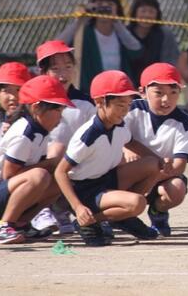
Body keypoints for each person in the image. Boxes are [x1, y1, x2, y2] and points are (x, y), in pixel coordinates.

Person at [54, 70, 161, 247]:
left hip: (106, 178)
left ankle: (122, 216)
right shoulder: (88, 135)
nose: (125, 110)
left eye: (128, 104)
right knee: (138, 203)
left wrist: (160, 161)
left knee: (153, 164)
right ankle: (87, 222)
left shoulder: (119, 125)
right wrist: (78, 207)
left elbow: (132, 143)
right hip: (85, 190)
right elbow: (60, 172)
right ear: (99, 102)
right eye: (120, 105)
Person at [0, 75, 73, 244]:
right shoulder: (24, 133)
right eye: (57, 110)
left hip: (4, 193)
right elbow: (9, 175)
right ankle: (2, 227)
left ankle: (20, 223)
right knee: (40, 175)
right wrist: (50, 163)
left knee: (59, 180)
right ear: (36, 108)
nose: (60, 117)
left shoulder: (40, 131)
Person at [33, 40, 97, 234]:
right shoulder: (33, 102)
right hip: (39, 168)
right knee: (56, 149)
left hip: (74, 167)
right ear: (42, 72)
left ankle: (63, 209)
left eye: (68, 67)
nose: (63, 74)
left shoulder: (85, 104)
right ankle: (39, 209)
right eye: (55, 68)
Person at [123, 63, 188, 237]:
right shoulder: (131, 109)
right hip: (129, 172)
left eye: (173, 93)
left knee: (177, 188)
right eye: (159, 93)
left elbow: (180, 166)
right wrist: (126, 149)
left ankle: (158, 212)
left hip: (162, 175)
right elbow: (115, 139)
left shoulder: (184, 122)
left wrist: (155, 175)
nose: (166, 99)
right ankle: (110, 215)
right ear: (142, 92)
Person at [55, 0, 142, 93]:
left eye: (110, 5)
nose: (104, 8)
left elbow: (136, 49)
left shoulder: (121, 33)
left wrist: (116, 21)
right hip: (91, 91)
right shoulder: (85, 33)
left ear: (118, 8)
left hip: (119, 89)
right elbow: (57, 44)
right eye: (99, 4)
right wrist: (83, 19)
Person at [127, 0, 180, 84]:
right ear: (135, 13)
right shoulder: (126, 32)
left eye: (151, 11)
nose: (147, 15)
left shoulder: (164, 34)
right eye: (143, 11)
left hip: (156, 83)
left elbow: (170, 60)